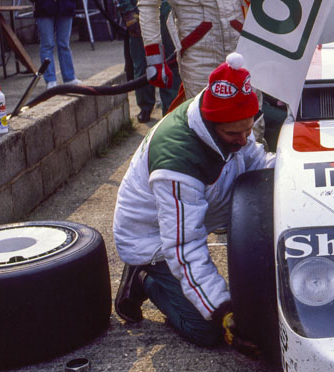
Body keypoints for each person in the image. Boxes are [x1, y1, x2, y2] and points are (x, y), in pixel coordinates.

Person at [113, 53, 274, 348]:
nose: (243, 139)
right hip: (153, 238)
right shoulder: (176, 165)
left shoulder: (227, 113)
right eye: (233, 133)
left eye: (248, 130)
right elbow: (185, 246)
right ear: (212, 124)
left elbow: (256, 162)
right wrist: (223, 311)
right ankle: (143, 278)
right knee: (207, 330)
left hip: (196, 210)